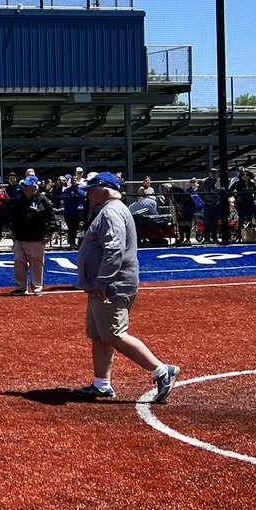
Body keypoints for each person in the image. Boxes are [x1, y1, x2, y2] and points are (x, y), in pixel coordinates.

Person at [71, 172, 178, 403]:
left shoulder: (110, 212)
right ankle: (101, 384)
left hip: (111, 286)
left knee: (114, 334)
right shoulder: (112, 209)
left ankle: (161, 371)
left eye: (91, 189)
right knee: (100, 335)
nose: (87, 194)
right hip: (107, 284)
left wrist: (103, 281)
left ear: (105, 190)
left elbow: (114, 249)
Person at [8, 174, 57, 295]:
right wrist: (12, 231)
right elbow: (13, 217)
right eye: (24, 186)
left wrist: (48, 233)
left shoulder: (43, 201)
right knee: (19, 262)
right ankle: (20, 287)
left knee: (36, 264)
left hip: (36, 239)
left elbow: (51, 219)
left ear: (34, 187)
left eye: (27, 186)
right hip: (20, 238)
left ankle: (37, 286)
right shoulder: (20, 200)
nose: (24, 188)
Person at [197, 169, 221, 244]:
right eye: (212, 173)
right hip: (207, 204)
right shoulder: (204, 182)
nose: (213, 174)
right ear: (209, 173)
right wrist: (204, 202)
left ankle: (214, 238)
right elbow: (198, 192)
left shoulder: (219, 181)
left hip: (217, 204)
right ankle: (206, 238)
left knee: (215, 221)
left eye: (215, 173)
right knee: (207, 221)